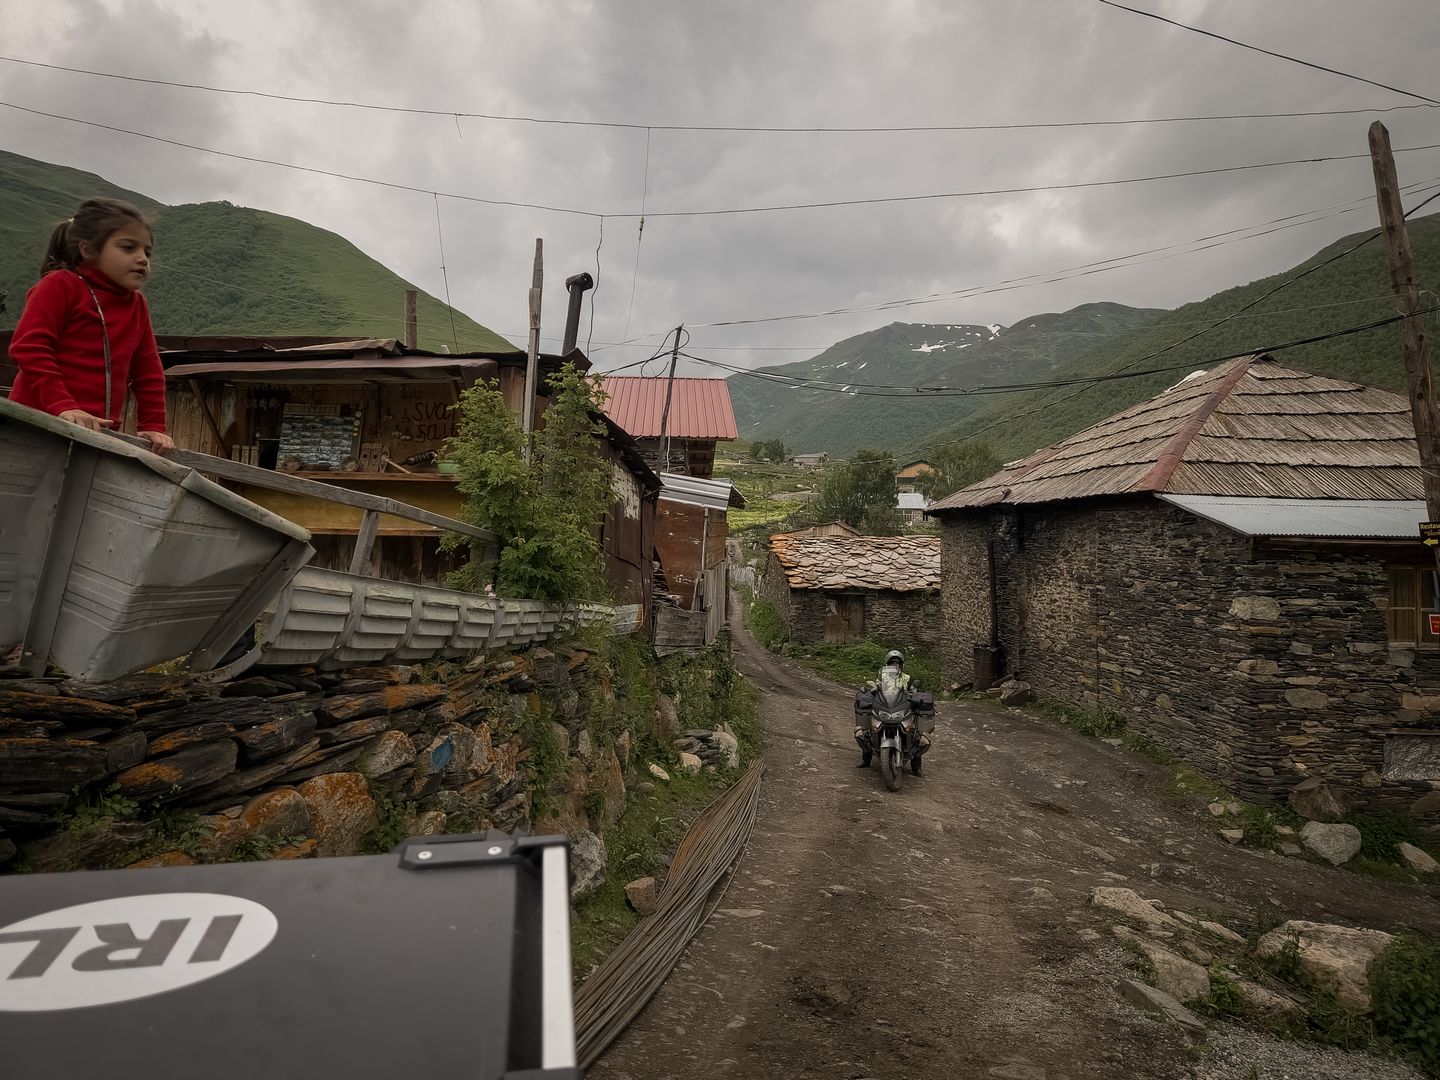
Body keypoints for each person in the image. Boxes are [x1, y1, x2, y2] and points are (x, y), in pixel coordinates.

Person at [8, 198, 174, 454]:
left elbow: (148, 371)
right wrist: (64, 405)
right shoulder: (60, 285)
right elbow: (30, 349)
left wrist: (153, 425)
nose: (142, 259)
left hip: (97, 434)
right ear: (87, 250)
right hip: (36, 425)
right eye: (128, 248)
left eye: (147, 252)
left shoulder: (137, 305)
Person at [854, 649, 912, 767]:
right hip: (885, 704)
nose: (895, 666)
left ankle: (917, 765)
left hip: (900, 705)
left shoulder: (906, 677)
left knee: (914, 730)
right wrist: (874, 688)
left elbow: (911, 690)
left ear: (901, 665)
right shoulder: (883, 676)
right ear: (887, 664)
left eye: (897, 663)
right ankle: (866, 759)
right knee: (870, 728)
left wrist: (912, 694)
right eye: (892, 663)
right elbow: (877, 686)